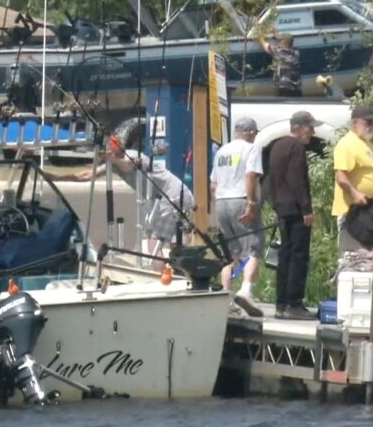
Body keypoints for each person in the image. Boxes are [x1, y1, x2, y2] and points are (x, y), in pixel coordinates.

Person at [46, 126, 195, 264]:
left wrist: (112, 159)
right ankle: (180, 271)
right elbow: (86, 175)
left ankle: (160, 275)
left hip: (172, 194)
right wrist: (56, 178)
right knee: (175, 241)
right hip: (171, 196)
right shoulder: (113, 163)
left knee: (154, 239)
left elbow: (129, 166)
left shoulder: (132, 155)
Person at [266, 111, 320, 320]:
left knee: (284, 255)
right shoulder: (296, 147)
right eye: (310, 127)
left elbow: (272, 178)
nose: (312, 132)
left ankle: (281, 303)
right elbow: (297, 179)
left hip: (282, 207)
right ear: (298, 128)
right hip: (296, 210)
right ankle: (294, 303)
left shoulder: (277, 146)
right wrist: (307, 209)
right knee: (299, 256)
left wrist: (275, 205)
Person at [210, 117, 265, 318]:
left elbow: (213, 185)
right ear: (250, 132)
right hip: (241, 200)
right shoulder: (251, 149)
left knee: (229, 252)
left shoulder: (222, 151)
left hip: (222, 202)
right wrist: (252, 204)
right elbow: (250, 176)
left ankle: (225, 297)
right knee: (254, 246)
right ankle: (246, 290)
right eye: (255, 133)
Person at [332, 104, 373, 254]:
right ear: (354, 123)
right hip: (355, 212)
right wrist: (355, 194)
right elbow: (340, 175)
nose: (371, 126)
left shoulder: (366, 144)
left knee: (370, 259)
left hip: (371, 211)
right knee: (353, 257)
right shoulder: (347, 144)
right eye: (367, 122)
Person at [257, 26, 301, 97]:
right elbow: (284, 43)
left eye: (280, 41)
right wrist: (275, 33)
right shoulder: (296, 52)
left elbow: (263, 43)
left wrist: (258, 31)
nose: (278, 42)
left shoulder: (278, 52)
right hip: (297, 90)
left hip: (283, 90)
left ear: (283, 43)